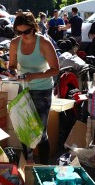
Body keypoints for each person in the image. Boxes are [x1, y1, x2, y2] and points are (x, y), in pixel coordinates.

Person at [8, 12, 59, 164]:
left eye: (26, 32)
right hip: (24, 88)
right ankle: (29, 164)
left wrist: (33, 76)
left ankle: (44, 167)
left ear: (34, 27)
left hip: (42, 89)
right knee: (24, 129)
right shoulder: (15, 43)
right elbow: (11, 65)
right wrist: (13, 72)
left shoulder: (43, 42)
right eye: (19, 32)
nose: (23, 35)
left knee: (40, 133)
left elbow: (55, 69)